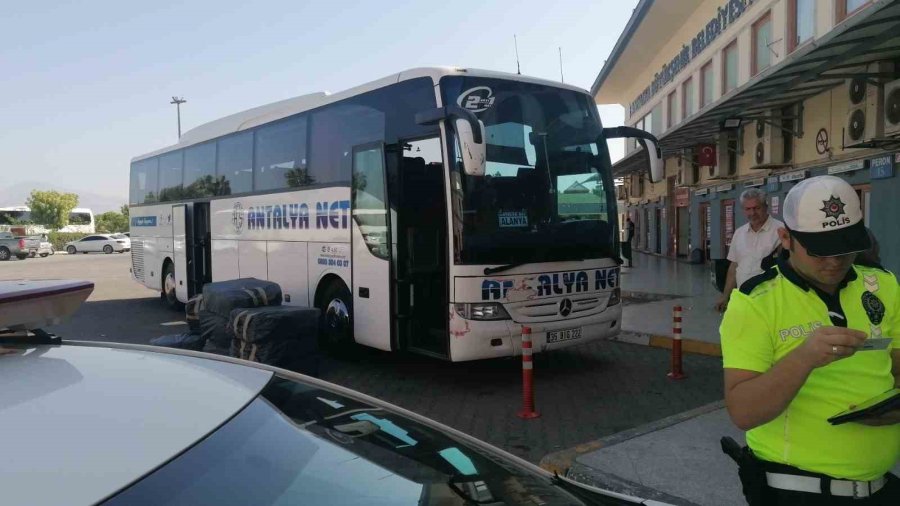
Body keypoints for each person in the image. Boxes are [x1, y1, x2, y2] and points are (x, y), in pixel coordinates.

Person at [720, 175, 900, 505]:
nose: (834, 262)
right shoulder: (755, 302)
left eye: (845, 248)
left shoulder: (883, 284)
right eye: (820, 251)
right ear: (786, 238)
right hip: (797, 491)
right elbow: (743, 411)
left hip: (881, 486)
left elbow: (895, 362)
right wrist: (804, 358)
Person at [716, 188, 784, 312]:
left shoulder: (781, 231)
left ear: (765, 207)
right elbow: (734, 267)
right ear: (743, 210)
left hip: (770, 301)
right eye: (748, 209)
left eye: (757, 208)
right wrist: (725, 296)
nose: (752, 213)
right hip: (743, 298)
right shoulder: (739, 233)